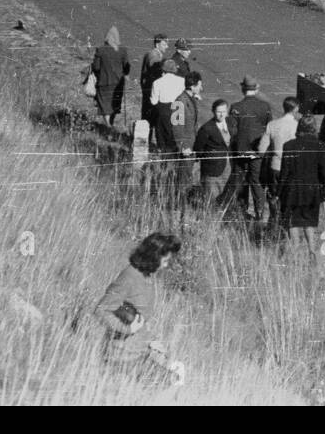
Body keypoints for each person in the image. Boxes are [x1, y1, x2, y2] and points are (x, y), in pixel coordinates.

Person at [93, 232, 181, 371]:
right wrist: (126, 329)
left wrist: (151, 342)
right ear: (154, 257)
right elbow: (101, 310)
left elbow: (140, 321)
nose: (165, 266)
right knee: (171, 380)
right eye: (164, 261)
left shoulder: (147, 279)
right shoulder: (129, 276)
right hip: (119, 358)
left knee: (176, 372)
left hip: (137, 354)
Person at [279, 114, 325, 261]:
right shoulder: (321, 146)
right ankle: (312, 252)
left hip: (292, 190)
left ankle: (294, 253)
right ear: (314, 128)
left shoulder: (288, 145)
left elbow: (284, 173)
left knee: (293, 222)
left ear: (299, 127)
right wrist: (324, 191)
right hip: (312, 191)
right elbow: (324, 172)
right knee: (309, 222)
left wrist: (278, 192)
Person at [227, 76, 273, 222]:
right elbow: (269, 128)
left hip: (241, 150)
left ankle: (242, 211)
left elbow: (232, 130)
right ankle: (259, 213)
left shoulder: (236, 107)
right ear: (257, 89)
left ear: (242, 89)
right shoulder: (265, 107)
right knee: (256, 181)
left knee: (241, 180)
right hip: (258, 151)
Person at [257, 96, 300, 223]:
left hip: (275, 166)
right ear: (296, 109)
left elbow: (261, 150)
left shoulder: (272, 124)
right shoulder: (297, 127)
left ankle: (273, 222)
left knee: (274, 197)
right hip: (291, 169)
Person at [193, 99, 236, 206]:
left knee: (225, 199)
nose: (221, 115)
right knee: (211, 200)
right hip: (212, 171)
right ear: (213, 111)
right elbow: (198, 149)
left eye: (224, 111)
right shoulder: (206, 128)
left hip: (228, 167)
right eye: (218, 112)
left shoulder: (232, 123)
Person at [90, 25, 131, 134]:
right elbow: (127, 67)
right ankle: (110, 124)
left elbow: (96, 67)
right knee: (114, 105)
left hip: (104, 82)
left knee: (105, 105)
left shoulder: (101, 50)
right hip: (118, 83)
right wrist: (125, 73)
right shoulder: (122, 50)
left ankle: (108, 126)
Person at [170, 72, 204, 177]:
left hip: (191, 146)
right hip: (185, 148)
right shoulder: (180, 102)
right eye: (199, 85)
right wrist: (182, 146)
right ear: (192, 86)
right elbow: (176, 127)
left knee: (188, 175)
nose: (201, 88)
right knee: (183, 178)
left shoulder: (191, 99)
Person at [149, 59, 185, 154]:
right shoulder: (182, 81)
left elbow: (153, 101)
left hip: (163, 111)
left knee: (163, 139)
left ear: (163, 70)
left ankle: (164, 161)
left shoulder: (157, 83)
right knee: (176, 137)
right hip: (178, 110)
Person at [140, 34, 170, 144]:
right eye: (164, 44)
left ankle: (146, 141)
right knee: (150, 118)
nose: (166, 46)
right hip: (151, 92)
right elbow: (155, 74)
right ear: (157, 44)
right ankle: (146, 142)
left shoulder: (152, 54)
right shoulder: (154, 56)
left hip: (148, 90)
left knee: (148, 118)